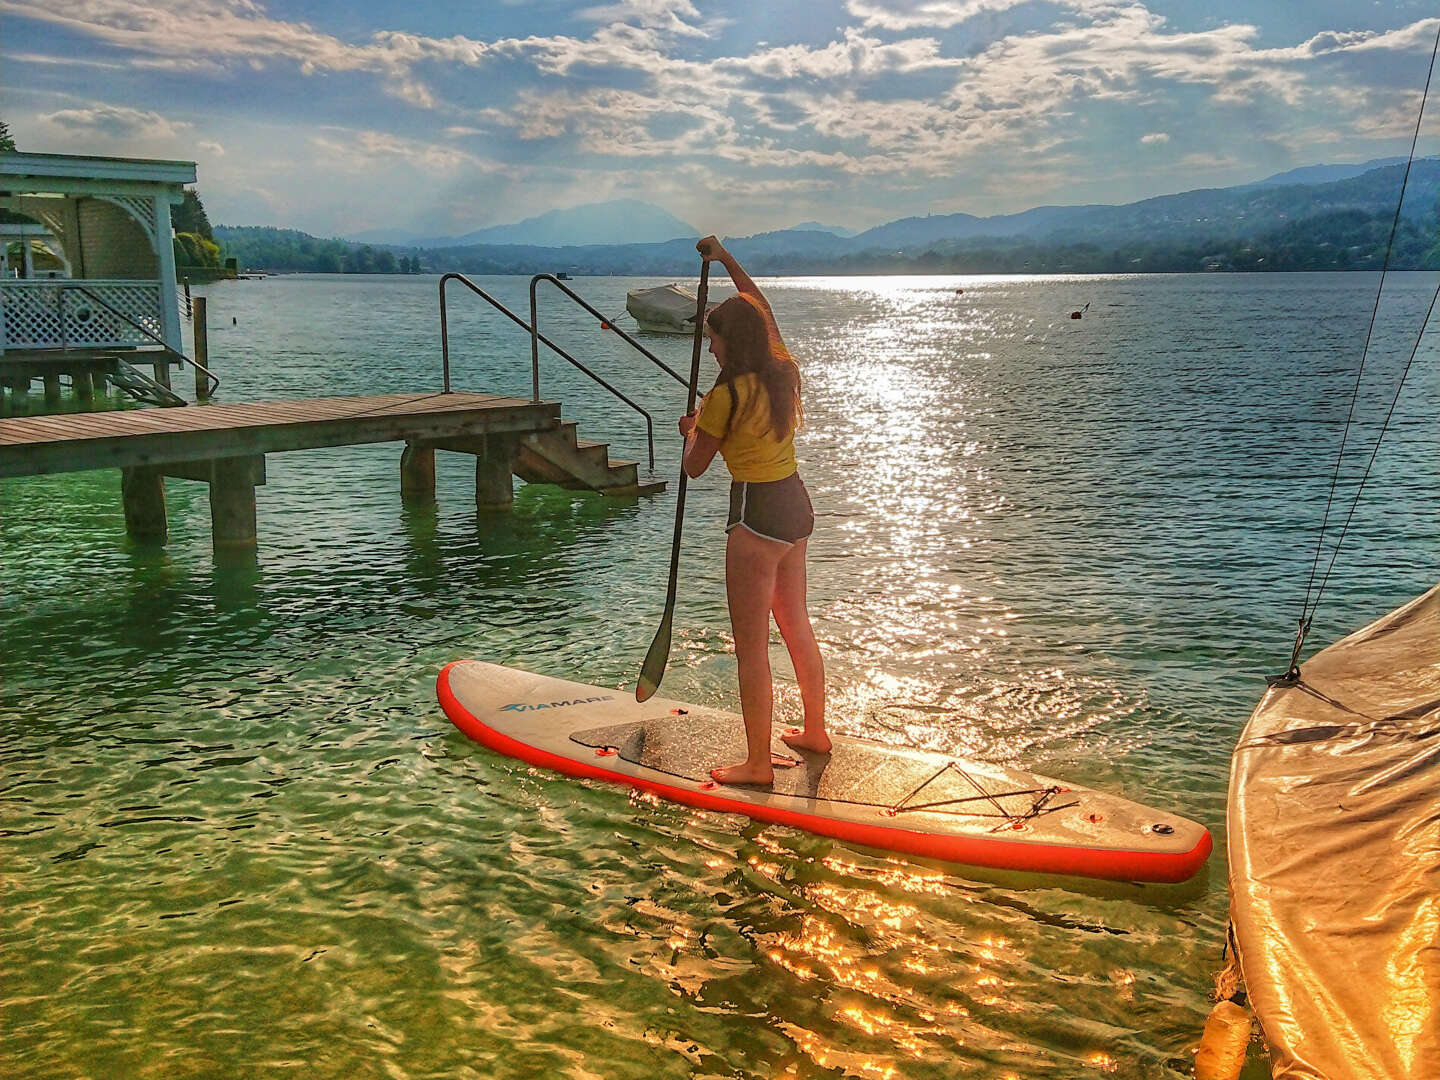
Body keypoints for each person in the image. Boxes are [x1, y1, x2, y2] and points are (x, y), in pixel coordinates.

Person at [679, 235, 828, 786]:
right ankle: (815, 731)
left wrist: (690, 431)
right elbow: (758, 303)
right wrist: (725, 260)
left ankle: (758, 764)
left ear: (728, 341)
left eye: (712, 340)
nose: (710, 348)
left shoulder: (724, 397)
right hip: (796, 507)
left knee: (750, 649)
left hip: (756, 518)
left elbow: (695, 468)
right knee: (796, 624)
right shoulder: (783, 371)